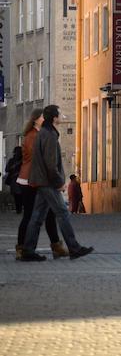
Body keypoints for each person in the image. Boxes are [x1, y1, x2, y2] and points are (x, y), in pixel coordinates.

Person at [21, 105, 94, 262]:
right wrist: (59, 183)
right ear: (54, 117)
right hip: (47, 182)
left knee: (37, 216)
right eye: (60, 113)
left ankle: (28, 249)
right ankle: (74, 247)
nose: (62, 116)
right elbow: (50, 164)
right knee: (62, 213)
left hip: (41, 180)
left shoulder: (44, 133)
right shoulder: (50, 135)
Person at [15, 109, 67, 260]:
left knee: (50, 213)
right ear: (36, 120)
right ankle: (22, 247)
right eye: (43, 117)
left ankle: (56, 246)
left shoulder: (40, 135)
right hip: (30, 180)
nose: (45, 119)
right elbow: (40, 159)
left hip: (40, 180)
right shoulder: (32, 136)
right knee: (30, 215)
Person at [4, 146, 23, 214]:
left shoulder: (23, 160)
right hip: (14, 180)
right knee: (17, 195)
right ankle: (18, 209)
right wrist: (13, 167)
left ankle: (20, 208)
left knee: (21, 194)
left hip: (22, 179)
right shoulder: (12, 160)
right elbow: (7, 169)